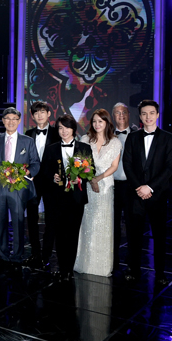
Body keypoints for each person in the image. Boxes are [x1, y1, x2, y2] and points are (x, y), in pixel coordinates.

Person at [123, 100, 172, 286]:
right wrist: (140, 187)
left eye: (151, 113)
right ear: (140, 116)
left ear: (158, 115)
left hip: (158, 195)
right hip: (135, 194)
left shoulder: (168, 138)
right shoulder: (132, 137)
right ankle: (134, 269)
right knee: (134, 235)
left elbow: (170, 167)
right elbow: (127, 164)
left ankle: (160, 273)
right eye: (144, 113)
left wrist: (150, 187)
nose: (148, 117)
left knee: (160, 235)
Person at [0, 107, 40, 264]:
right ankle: (2, 254)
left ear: (19, 121)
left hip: (19, 189)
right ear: (3, 121)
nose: (11, 122)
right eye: (7, 119)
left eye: (14, 119)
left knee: (18, 223)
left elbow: (36, 163)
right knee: (0, 222)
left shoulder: (27, 141)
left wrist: (25, 173)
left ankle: (17, 255)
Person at [73, 109, 121, 277]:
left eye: (101, 121)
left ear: (107, 122)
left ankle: (101, 266)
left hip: (105, 187)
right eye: (94, 121)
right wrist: (90, 178)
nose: (97, 124)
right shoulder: (85, 139)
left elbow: (114, 166)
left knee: (103, 224)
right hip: (87, 187)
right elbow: (79, 163)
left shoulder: (115, 142)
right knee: (87, 224)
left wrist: (98, 178)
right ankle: (84, 262)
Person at [41, 115, 90, 281]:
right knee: (60, 234)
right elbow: (44, 172)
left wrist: (81, 178)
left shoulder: (84, 148)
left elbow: (92, 171)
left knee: (73, 233)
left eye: (67, 128)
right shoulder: (51, 148)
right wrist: (52, 178)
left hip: (76, 198)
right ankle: (62, 268)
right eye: (60, 128)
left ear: (73, 129)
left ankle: (69, 268)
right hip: (56, 198)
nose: (64, 131)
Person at [24, 101, 60, 269]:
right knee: (31, 219)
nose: (39, 115)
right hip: (32, 182)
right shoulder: (28, 133)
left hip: (51, 183)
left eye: (43, 112)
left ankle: (46, 255)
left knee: (51, 220)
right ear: (32, 116)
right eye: (36, 112)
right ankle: (35, 254)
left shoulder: (57, 133)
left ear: (49, 114)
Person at [112, 103, 137, 268]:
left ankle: (132, 259)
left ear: (129, 114)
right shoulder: (108, 135)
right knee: (112, 225)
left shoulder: (137, 135)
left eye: (124, 112)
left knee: (132, 224)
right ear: (113, 116)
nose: (121, 115)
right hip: (112, 186)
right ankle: (112, 259)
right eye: (117, 113)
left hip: (131, 186)